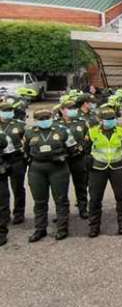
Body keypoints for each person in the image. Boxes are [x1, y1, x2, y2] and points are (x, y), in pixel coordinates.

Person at [24, 109, 75, 242]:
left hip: (58, 168)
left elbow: (72, 149)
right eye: (41, 119)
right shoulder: (30, 132)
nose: (44, 121)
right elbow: (26, 151)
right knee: (39, 201)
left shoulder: (62, 131)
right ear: (36, 121)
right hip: (37, 169)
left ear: (51, 118)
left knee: (61, 199)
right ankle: (40, 229)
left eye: (47, 118)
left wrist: (62, 156)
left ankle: (62, 228)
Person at [88, 107, 122, 237]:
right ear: (101, 120)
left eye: (112, 119)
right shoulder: (92, 132)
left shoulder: (121, 131)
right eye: (107, 119)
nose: (110, 121)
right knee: (95, 198)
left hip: (117, 167)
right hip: (98, 168)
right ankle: (94, 227)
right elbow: (86, 149)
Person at [57, 99, 90, 219]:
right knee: (60, 187)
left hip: (78, 158)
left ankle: (83, 208)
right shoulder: (56, 124)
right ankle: (62, 212)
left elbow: (88, 139)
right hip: (62, 160)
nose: (73, 110)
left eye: (74, 108)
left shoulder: (81, 122)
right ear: (62, 110)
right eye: (69, 108)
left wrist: (83, 150)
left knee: (81, 185)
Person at [0, 102, 27, 225]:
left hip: (16, 159)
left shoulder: (20, 125)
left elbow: (27, 142)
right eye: (5, 110)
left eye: (10, 110)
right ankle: (4, 216)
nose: (8, 113)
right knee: (2, 191)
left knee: (18, 188)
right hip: (1, 160)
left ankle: (19, 213)